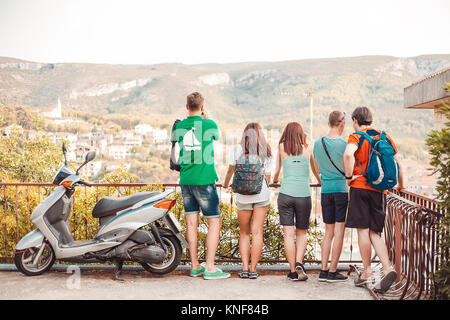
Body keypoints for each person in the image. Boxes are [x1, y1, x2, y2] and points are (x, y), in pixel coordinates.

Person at [343, 106, 404, 292]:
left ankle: (367, 272)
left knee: (363, 230)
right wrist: (402, 186)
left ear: (355, 120)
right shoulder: (385, 136)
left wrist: (348, 177)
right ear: (371, 120)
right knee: (375, 233)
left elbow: (347, 155)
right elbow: (397, 163)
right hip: (380, 191)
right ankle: (387, 269)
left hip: (360, 187)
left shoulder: (356, 136)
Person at [172, 92, 230, 280]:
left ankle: (195, 265)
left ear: (186, 106)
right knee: (214, 222)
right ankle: (210, 267)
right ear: (202, 107)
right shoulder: (209, 124)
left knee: (191, 224)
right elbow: (217, 136)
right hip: (204, 180)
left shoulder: (179, 126)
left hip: (186, 180)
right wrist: (208, 116)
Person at [223, 123, 272, 279]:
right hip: (261, 194)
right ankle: (253, 270)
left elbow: (231, 170)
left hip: (243, 195)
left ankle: (244, 269)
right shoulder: (266, 151)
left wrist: (225, 185)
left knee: (244, 232)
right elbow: (268, 177)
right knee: (257, 232)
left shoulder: (237, 150)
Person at [273, 122, 321, 281]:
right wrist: (319, 180)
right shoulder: (309, 148)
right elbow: (315, 169)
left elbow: (277, 170)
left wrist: (274, 180)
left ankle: (293, 270)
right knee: (301, 232)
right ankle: (300, 262)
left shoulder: (281, 147)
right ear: (301, 134)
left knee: (288, 234)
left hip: (285, 194)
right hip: (303, 195)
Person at [312, 111, 349, 282]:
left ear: (329, 123)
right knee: (339, 231)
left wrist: (321, 178)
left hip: (325, 191)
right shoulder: (345, 145)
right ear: (342, 124)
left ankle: (323, 270)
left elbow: (315, 163)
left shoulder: (318, 143)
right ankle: (333, 272)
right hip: (341, 190)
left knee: (328, 232)